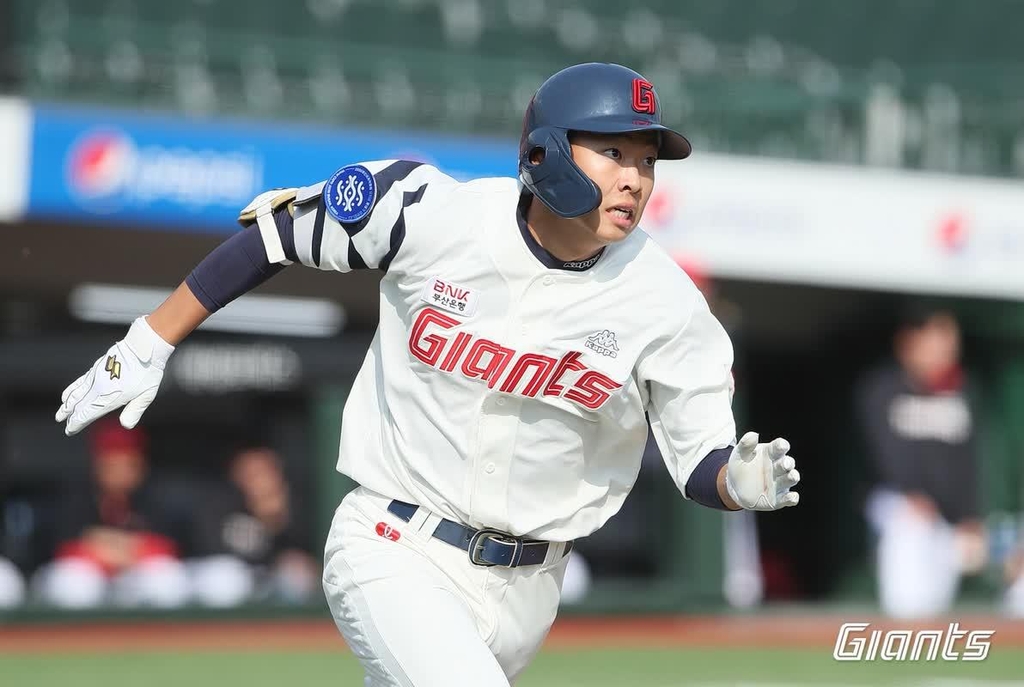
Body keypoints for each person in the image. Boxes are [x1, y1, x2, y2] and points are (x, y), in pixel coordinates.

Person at [54, 63, 800, 685]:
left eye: (646, 160)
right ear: (545, 152)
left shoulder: (666, 298)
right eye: (614, 152)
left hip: (532, 588)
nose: (635, 178)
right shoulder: (429, 212)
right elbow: (273, 237)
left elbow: (698, 456)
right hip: (394, 542)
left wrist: (737, 482)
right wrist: (150, 340)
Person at [855, 305, 987, 618]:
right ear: (909, 342)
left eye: (950, 342)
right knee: (909, 531)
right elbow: (882, 452)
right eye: (936, 340)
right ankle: (900, 629)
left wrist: (970, 516)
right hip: (894, 501)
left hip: (946, 513)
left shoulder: (963, 392)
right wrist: (911, 493)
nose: (946, 350)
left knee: (939, 600)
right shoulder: (882, 387)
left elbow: (968, 464)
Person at [33, 418, 190, 608]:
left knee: (166, 581)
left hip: (133, 578)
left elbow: (167, 550)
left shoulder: (155, 497)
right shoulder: (74, 495)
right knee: (73, 583)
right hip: (90, 577)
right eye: (111, 465)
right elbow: (63, 549)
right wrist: (128, 548)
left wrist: (104, 544)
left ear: (140, 467)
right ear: (97, 465)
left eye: (128, 465)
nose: (119, 473)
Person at [188, 445, 319, 607]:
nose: (259, 480)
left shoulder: (292, 504)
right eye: (250, 473)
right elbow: (209, 550)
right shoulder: (220, 502)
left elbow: (302, 551)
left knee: (298, 575)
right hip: (232, 577)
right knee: (223, 579)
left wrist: (274, 523)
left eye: (264, 472)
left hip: (270, 577)